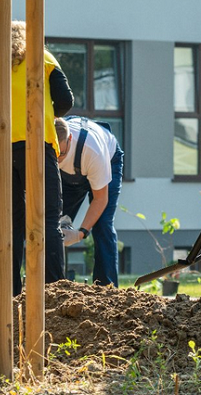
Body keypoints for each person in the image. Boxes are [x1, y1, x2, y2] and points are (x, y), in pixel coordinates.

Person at [0, 21, 73, 295]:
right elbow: (65, 102)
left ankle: (12, 293)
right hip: (36, 144)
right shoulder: (42, 58)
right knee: (48, 218)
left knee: (11, 223)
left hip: (0, 151)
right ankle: (53, 290)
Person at [54, 115, 123, 286]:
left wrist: (81, 232)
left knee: (102, 224)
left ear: (69, 139)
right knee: (54, 225)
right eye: (53, 154)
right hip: (71, 176)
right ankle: (52, 284)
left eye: (61, 154)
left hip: (107, 159)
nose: (58, 160)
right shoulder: (48, 146)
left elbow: (100, 199)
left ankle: (106, 289)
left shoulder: (93, 152)